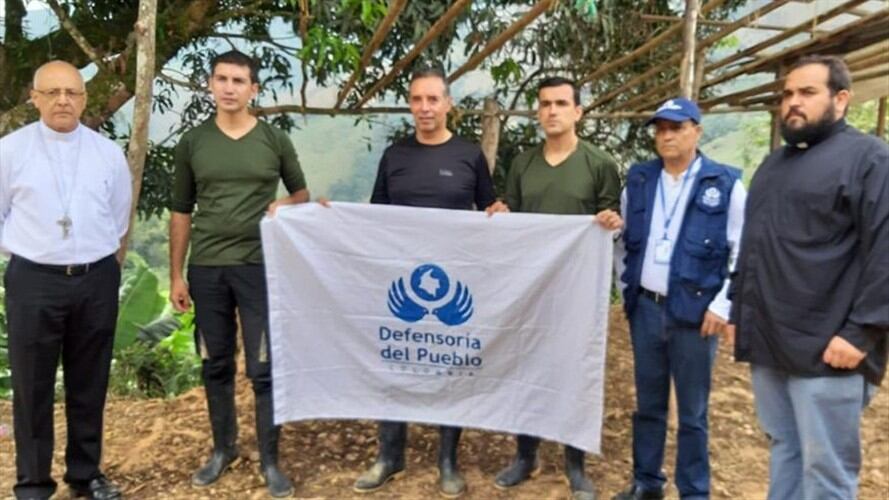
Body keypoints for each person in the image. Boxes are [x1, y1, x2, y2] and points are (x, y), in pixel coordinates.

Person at [728, 55, 888, 500]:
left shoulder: (869, 159)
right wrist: (740, 309)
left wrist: (860, 333)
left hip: (830, 348)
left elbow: (886, 253)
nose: (792, 103)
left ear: (841, 99)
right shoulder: (774, 165)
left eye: (807, 93)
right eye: (788, 94)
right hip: (770, 343)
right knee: (785, 451)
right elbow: (753, 245)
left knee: (826, 471)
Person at [350, 67, 497, 499]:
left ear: (449, 104)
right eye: (417, 99)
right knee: (395, 363)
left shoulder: (470, 156)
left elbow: (490, 210)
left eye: (433, 99)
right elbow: (376, 216)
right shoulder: (394, 156)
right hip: (399, 282)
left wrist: (499, 215)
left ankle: (447, 461)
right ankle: (389, 455)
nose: (425, 108)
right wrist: (325, 218)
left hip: (455, 283)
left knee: (449, 366)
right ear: (410, 105)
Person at [168, 50, 309, 498]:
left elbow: (301, 193)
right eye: (221, 79)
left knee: (263, 367)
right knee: (216, 363)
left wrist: (282, 205)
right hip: (207, 269)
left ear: (254, 89)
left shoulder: (273, 139)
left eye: (238, 81)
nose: (229, 88)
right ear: (210, 84)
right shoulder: (193, 142)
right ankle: (222, 450)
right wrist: (176, 274)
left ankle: (271, 460)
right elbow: (180, 210)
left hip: (259, 267)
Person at [485, 76, 622, 500]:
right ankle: (526, 455)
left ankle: (575, 463)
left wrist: (611, 223)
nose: (552, 111)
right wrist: (501, 211)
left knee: (575, 372)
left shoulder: (599, 164)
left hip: (579, 293)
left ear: (578, 112)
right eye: (545, 104)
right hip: (532, 291)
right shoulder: (524, 164)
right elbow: (516, 222)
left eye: (562, 103)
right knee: (526, 370)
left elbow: (613, 223)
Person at [0, 61, 131, 500]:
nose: (62, 100)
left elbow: (117, 218)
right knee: (32, 385)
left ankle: (85, 474)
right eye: (52, 92)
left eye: (72, 93)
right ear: (34, 97)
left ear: (84, 99)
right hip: (34, 279)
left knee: (89, 381)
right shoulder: (10, 151)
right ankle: (34, 483)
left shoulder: (106, 153)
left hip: (95, 277)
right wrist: (37, 249)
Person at [612, 97, 746, 500]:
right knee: (648, 404)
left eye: (677, 127)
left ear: (697, 131)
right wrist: (627, 290)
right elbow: (622, 243)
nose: (667, 135)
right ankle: (646, 482)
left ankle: (694, 491)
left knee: (693, 412)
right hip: (647, 309)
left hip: (695, 313)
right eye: (660, 129)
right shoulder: (639, 180)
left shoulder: (725, 184)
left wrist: (723, 304)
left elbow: (743, 249)